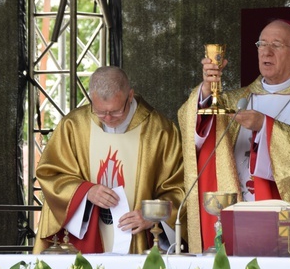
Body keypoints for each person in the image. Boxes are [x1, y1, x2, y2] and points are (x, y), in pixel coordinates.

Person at [178, 19, 290, 253]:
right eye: (261, 44)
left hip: (286, 214)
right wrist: (207, 88)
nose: (266, 51)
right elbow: (192, 128)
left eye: (276, 45)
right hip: (237, 207)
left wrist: (265, 126)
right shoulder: (236, 99)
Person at [33, 66, 185, 254]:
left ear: (130, 96)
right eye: (99, 111)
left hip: (139, 241)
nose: (107, 118)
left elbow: (179, 188)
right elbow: (50, 173)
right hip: (87, 240)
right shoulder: (73, 126)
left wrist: (152, 216)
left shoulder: (160, 131)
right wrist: (85, 192)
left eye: (115, 112)